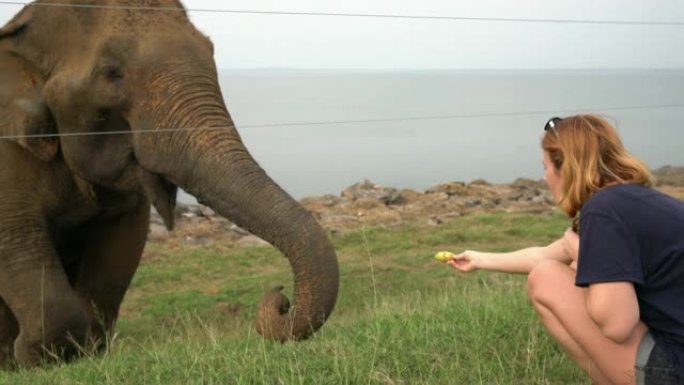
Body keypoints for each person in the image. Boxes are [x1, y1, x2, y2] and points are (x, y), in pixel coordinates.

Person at [446, 114, 684, 385]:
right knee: (564, 269)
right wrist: (479, 259)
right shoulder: (634, 201)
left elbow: (618, 324)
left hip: (675, 368)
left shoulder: (604, 210)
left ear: (566, 167)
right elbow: (547, 254)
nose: (545, 177)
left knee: (546, 278)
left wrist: (583, 256)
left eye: (545, 166)